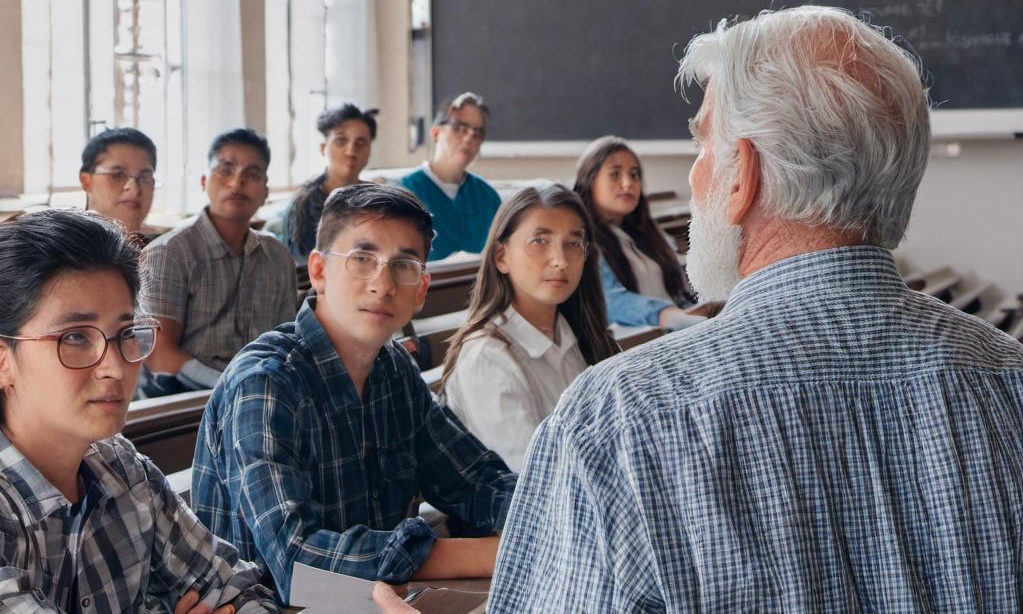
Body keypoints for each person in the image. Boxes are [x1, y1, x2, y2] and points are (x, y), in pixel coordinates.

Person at [490, 6, 1023, 612]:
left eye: (703, 143)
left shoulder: (621, 418)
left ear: (741, 174)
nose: (695, 174)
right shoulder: (1012, 380)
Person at [190, 183, 517, 605]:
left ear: (420, 290)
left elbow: (475, 481)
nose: (382, 284)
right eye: (362, 259)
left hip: (373, 604)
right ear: (319, 271)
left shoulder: (393, 368)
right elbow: (297, 564)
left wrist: (543, 516)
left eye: (404, 266)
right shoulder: (266, 382)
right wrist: (486, 553)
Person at [0, 209, 279, 613]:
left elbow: (245, 592)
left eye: (126, 334)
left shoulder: (125, 472)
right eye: (75, 336)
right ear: (4, 359)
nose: (114, 366)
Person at [439, 184, 619, 472]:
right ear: (501, 257)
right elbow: (536, 478)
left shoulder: (583, 337)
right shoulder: (487, 357)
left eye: (573, 243)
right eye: (539, 240)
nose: (560, 260)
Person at [140, 128, 298, 397]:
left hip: (266, 396)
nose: (237, 183)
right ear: (204, 181)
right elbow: (159, 354)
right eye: (225, 170)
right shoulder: (169, 253)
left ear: (265, 192)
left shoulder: (277, 256)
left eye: (252, 174)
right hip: (187, 402)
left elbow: (285, 342)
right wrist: (233, 386)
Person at [574, 135, 710, 329]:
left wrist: (702, 310)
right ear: (589, 180)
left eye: (634, 174)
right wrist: (668, 316)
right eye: (615, 174)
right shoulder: (582, 241)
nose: (628, 183)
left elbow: (677, 293)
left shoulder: (648, 235)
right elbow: (610, 301)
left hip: (676, 333)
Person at [399, 92, 501, 261]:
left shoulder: (488, 198)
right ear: (436, 132)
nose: (469, 137)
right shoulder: (406, 193)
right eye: (459, 127)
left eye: (477, 132)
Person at [280, 103, 379, 261]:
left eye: (360, 143)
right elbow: (302, 268)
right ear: (323, 148)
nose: (351, 151)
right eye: (341, 141)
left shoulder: (376, 198)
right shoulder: (305, 203)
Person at [79, 127, 159, 235]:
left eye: (144, 177)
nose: (134, 189)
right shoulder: (63, 247)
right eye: (118, 175)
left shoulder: (167, 247)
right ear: (87, 182)